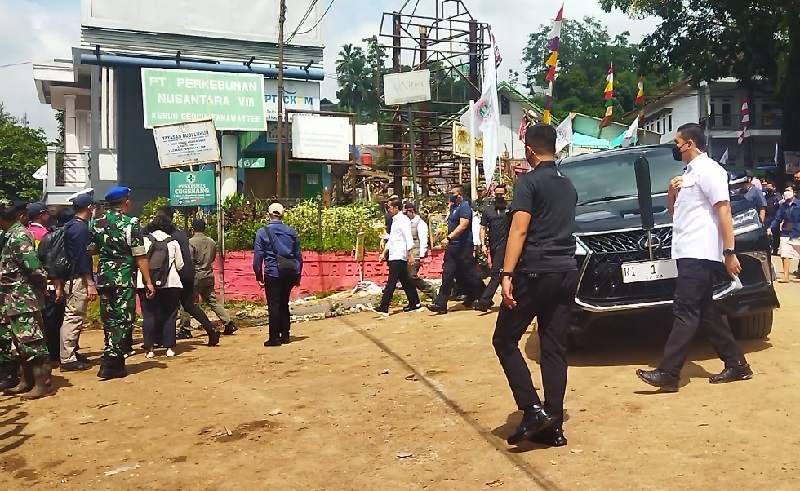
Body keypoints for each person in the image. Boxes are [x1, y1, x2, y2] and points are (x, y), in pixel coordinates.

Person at [637, 123, 752, 392]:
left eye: (677, 143)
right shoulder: (687, 174)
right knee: (705, 313)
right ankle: (737, 365)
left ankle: (668, 372)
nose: (675, 147)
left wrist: (729, 251)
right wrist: (671, 193)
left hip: (700, 252)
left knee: (685, 309)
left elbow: (724, 211)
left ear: (689, 144)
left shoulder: (711, 171)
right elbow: (677, 216)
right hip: (686, 249)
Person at [493, 123, 579, 448]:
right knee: (554, 348)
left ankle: (531, 409)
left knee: (504, 339)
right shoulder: (568, 185)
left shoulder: (527, 183)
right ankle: (553, 426)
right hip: (565, 271)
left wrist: (506, 274)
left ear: (529, 150)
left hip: (534, 272)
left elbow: (519, 231)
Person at [89, 186, 155, 379]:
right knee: (123, 319)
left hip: (103, 277)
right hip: (123, 277)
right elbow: (139, 254)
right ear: (126, 201)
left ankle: (114, 360)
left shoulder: (96, 222)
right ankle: (111, 361)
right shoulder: (131, 223)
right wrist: (148, 281)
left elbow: (91, 249)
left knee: (109, 318)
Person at [0, 200, 52, 399]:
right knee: (18, 343)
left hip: (22, 298)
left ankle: (42, 383)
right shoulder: (9, 236)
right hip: (11, 299)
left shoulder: (19, 236)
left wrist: (40, 286)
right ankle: (26, 381)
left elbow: (34, 268)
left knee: (32, 341)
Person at [156, 206, 223, 342]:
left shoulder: (165, 234)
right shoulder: (180, 232)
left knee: (166, 306)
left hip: (175, 274)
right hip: (189, 272)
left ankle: (163, 339)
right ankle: (211, 330)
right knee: (189, 305)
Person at [427, 184, 485, 314]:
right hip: (452, 247)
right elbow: (449, 223)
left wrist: (449, 238)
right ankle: (440, 304)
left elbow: (463, 225)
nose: (450, 195)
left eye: (452, 193)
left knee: (469, 274)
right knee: (448, 274)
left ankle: (483, 295)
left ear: (459, 194)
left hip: (463, 246)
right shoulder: (454, 207)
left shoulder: (464, 206)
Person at [138, 216, 191, 358]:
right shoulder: (173, 242)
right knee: (170, 315)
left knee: (149, 315)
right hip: (171, 283)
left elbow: (138, 260)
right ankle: (169, 348)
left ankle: (149, 349)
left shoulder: (144, 240)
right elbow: (180, 265)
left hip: (145, 283)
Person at [253, 203, 302, 347]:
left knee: (274, 304)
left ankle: (274, 337)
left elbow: (258, 257)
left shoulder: (262, 232)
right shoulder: (291, 232)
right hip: (289, 273)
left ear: (269, 214)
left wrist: (258, 275)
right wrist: (298, 275)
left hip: (272, 273)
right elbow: (298, 256)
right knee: (284, 303)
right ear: (282, 215)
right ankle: (285, 334)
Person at [58, 195, 97, 371]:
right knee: (73, 317)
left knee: (73, 316)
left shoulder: (70, 226)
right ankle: (67, 358)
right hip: (77, 278)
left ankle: (71, 351)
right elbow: (81, 257)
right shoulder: (80, 229)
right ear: (89, 207)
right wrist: (89, 281)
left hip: (69, 276)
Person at [181, 219, 236, 334]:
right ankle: (228, 322)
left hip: (196, 277)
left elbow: (189, 261)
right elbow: (213, 259)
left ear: (193, 229)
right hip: (208, 274)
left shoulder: (190, 242)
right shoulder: (211, 242)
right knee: (212, 301)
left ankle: (185, 328)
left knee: (187, 303)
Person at [375, 199, 422, 316]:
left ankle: (384, 306)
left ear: (396, 208)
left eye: (390, 207)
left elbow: (408, 237)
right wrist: (384, 252)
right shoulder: (395, 221)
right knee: (405, 281)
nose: (388, 210)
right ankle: (415, 302)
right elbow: (393, 239)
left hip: (399, 255)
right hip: (394, 254)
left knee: (391, 282)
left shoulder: (402, 220)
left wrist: (409, 253)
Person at [475, 183, 510, 312]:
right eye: (497, 194)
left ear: (506, 194)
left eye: (502, 194)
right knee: (502, 274)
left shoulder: (510, 210)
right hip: (493, 246)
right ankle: (511, 297)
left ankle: (484, 301)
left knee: (495, 273)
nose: (499, 196)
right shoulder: (488, 210)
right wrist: (483, 244)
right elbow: (483, 228)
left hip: (505, 246)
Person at [402, 203, 437, 299]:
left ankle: (431, 291)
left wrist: (422, 256)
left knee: (412, 277)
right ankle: (414, 301)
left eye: (406, 213)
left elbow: (423, 241)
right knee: (407, 279)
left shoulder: (420, 224)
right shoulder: (407, 223)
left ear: (411, 211)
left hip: (415, 255)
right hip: (407, 255)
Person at [768, 186, 800, 283]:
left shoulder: (799, 204)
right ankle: (786, 276)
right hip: (786, 232)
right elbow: (778, 218)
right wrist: (770, 227)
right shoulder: (783, 206)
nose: (787, 192)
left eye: (789, 190)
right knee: (785, 254)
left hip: (798, 232)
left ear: (794, 192)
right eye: (785, 190)